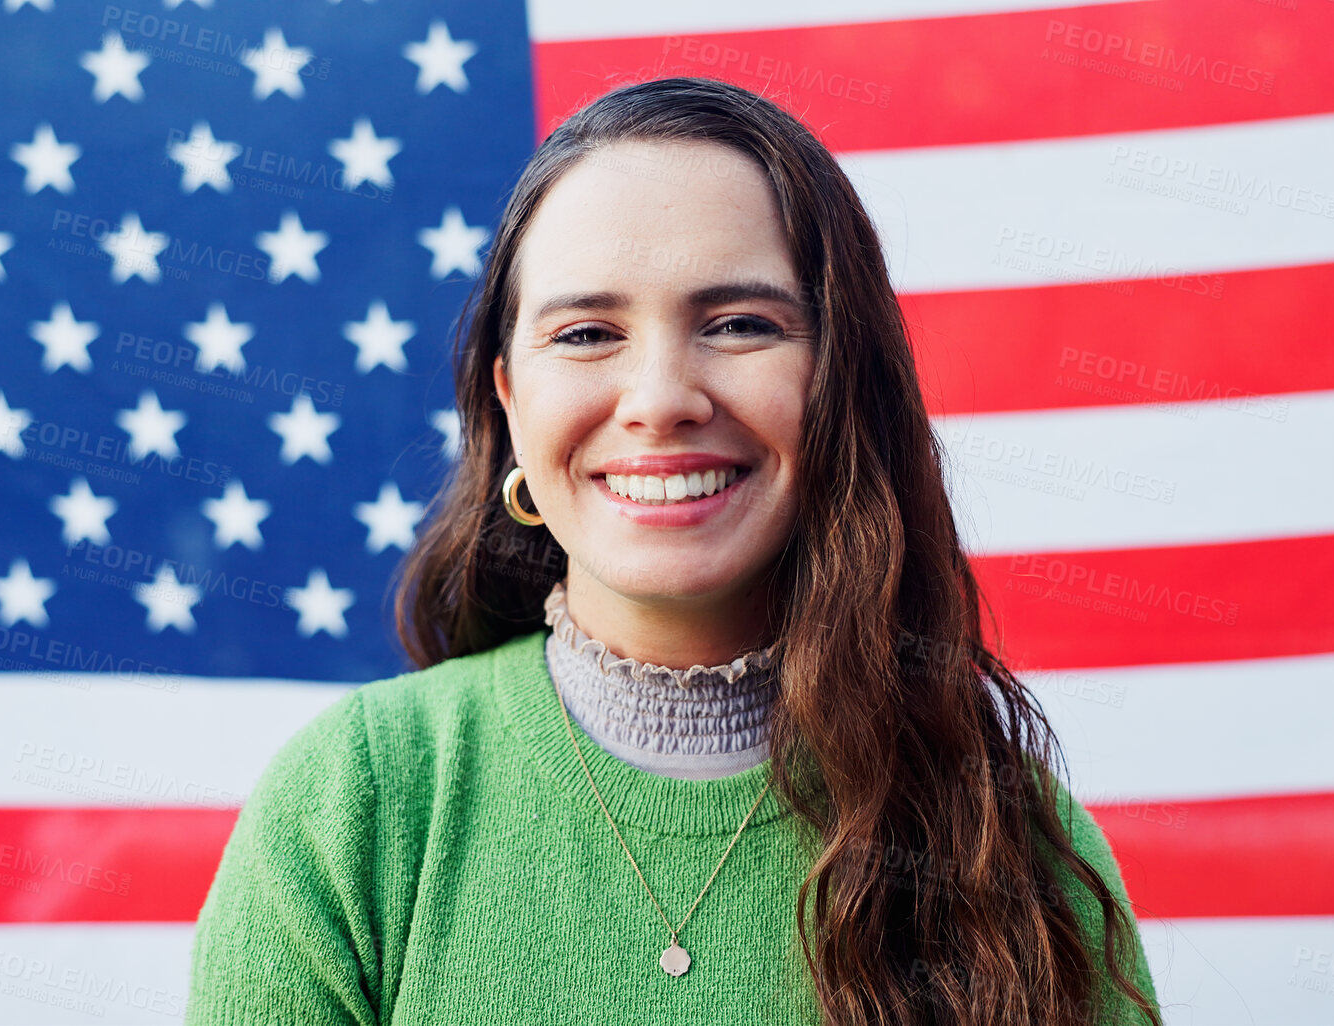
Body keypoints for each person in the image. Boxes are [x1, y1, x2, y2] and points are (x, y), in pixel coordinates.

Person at [187, 76, 1162, 1026]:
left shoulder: (1007, 832)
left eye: (739, 324)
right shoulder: (358, 800)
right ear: (509, 400)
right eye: (587, 332)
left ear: (842, 383)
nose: (660, 398)